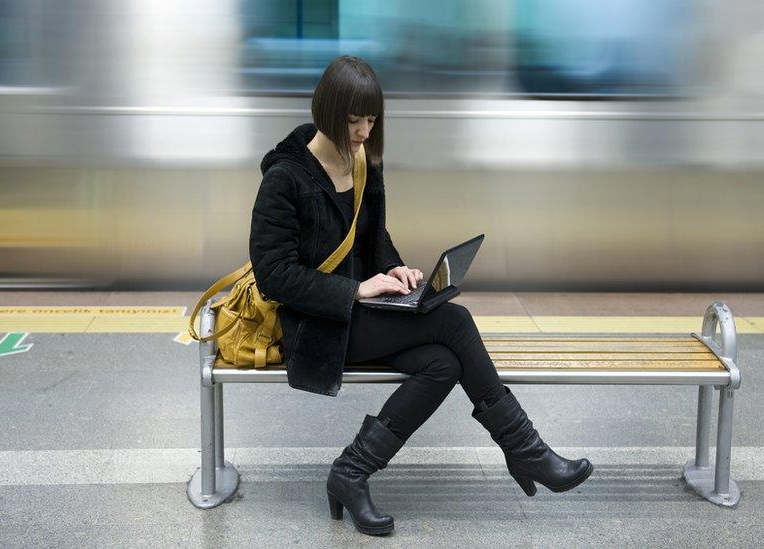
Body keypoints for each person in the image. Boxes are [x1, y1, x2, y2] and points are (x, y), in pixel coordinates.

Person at [249, 55, 593, 536]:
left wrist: (393, 266)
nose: (365, 131)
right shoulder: (284, 178)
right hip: (314, 326)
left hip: (359, 313)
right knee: (453, 321)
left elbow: (373, 237)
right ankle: (526, 452)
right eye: (353, 121)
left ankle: (350, 473)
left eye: (372, 120)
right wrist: (356, 289)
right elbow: (274, 274)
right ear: (327, 112)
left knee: (443, 363)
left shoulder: (365, 161)